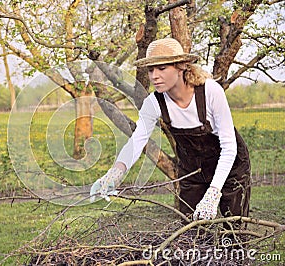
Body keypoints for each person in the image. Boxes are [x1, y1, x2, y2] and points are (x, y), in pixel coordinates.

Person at [90, 38, 251, 222]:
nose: (154, 76)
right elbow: (137, 141)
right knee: (192, 232)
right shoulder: (154, 102)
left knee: (234, 228)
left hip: (231, 167)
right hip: (193, 171)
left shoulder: (210, 91)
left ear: (181, 66)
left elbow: (230, 147)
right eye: (151, 70)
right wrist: (114, 174)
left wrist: (213, 193)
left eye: (162, 68)